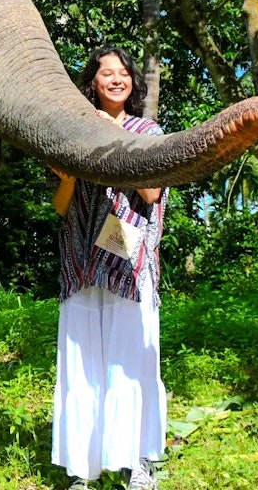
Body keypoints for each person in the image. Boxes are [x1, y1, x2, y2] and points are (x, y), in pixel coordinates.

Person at [49, 46, 168, 490]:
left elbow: (154, 194)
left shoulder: (148, 130)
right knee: (82, 362)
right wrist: (74, 166)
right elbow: (63, 207)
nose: (116, 80)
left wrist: (112, 142)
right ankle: (83, 469)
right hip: (81, 258)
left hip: (129, 259)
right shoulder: (73, 130)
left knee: (131, 358)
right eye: (106, 74)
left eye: (123, 74)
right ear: (93, 84)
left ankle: (138, 463)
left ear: (132, 83)